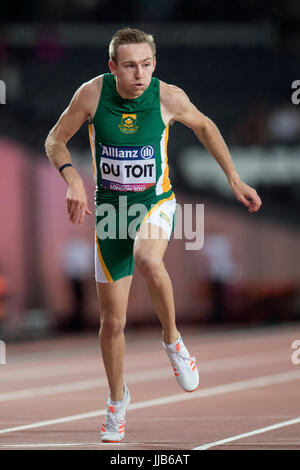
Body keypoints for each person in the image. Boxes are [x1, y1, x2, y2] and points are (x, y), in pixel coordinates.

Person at [45, 27, 262, 443]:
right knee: (112, 322)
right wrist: (71, 178)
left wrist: (234, 179)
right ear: (113, 68)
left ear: (154, 65)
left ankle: (173, 341)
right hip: (110, 211)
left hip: (156, 201)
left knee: (148, 260)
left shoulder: (169, 97)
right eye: (129, 66)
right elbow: (55, 138)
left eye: (146, 65)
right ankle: (117, 401)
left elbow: (206, 126)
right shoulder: (91, 94)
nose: (139, 74)